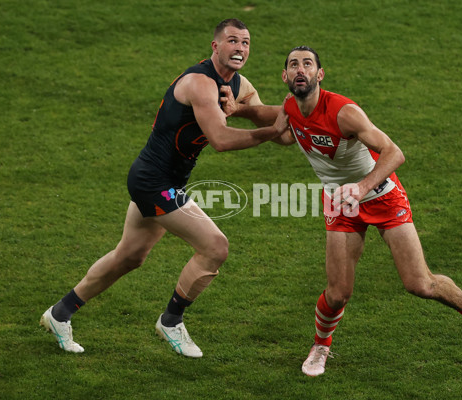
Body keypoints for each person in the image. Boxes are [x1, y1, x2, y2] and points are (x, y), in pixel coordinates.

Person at [39, 19, 289, 358]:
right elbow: (221, 140)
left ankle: (60, 313)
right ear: (215, 46)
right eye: (232, 41)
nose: (240, 48)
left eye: (246, 43)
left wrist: (290, 112)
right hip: (153, 182)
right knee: (215, 247)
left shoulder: (240, 84)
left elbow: (272, 122)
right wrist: (271, 131)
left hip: (162, 180)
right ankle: (171, 321)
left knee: (128, 257)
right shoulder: (200, 83)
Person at [274, 46, 462, 376]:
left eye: (307, 64)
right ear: (285, 76)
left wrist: (362, 187)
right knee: (338, 292)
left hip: (381, 195)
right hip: (341, 203)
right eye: (293, 65)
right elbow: (275, 125)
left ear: (319, 75)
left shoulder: (344, 112)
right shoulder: (289, 108)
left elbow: (394, 153)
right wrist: (234, 110)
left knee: (420, 283)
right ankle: (321, 346)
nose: (301, 69)